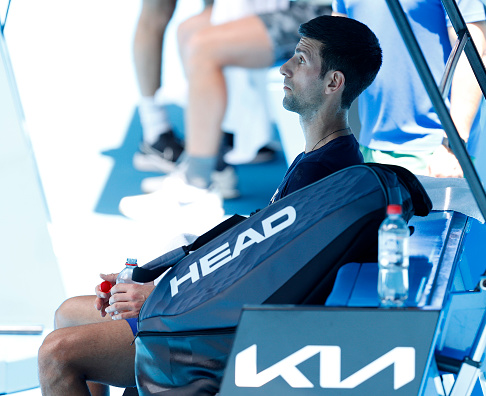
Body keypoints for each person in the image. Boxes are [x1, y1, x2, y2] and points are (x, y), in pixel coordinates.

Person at [37, 14, 382, 395]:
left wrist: (159, 298)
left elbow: (255, 281)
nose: (283, 68)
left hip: (223, 338)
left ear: (333, 82)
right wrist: (153, 276)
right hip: (223, 316)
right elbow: (249, 252)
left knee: (57, 354)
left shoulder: (319, 177)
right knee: (67, 314)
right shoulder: (325, 159)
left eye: (300, 60)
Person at [120, 0, 333, 219]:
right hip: (294, 5)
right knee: (189, 30)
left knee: (203, 47)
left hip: (322, 14)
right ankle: (216, 165)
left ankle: (196, 184)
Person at [333, 0, 486, 178]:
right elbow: (336, 48)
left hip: (435, 151)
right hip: (369, 147)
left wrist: (454, 146)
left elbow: (473, 55)